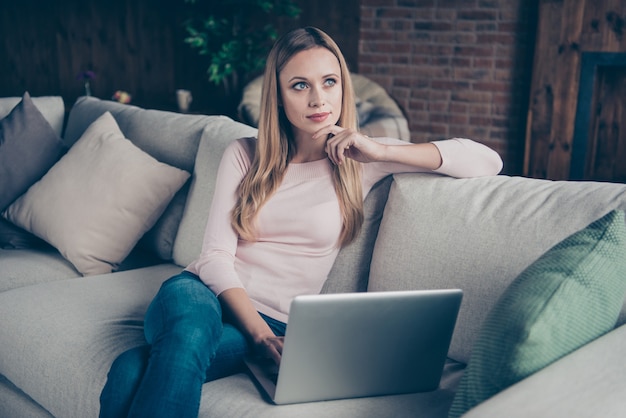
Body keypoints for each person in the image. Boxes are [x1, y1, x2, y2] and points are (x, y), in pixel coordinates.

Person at [99, 26, 503, 418]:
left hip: (277, 320)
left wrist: (380, 150)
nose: (317, 99)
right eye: (299, 85)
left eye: (329, 82)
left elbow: (486, 161)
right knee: (187, 335)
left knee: (130, 370)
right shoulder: (244, 154)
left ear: (344, 87)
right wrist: (260, 336)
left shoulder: (360, 163)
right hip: (199, 294)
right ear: (277, 97)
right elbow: (215, 258)